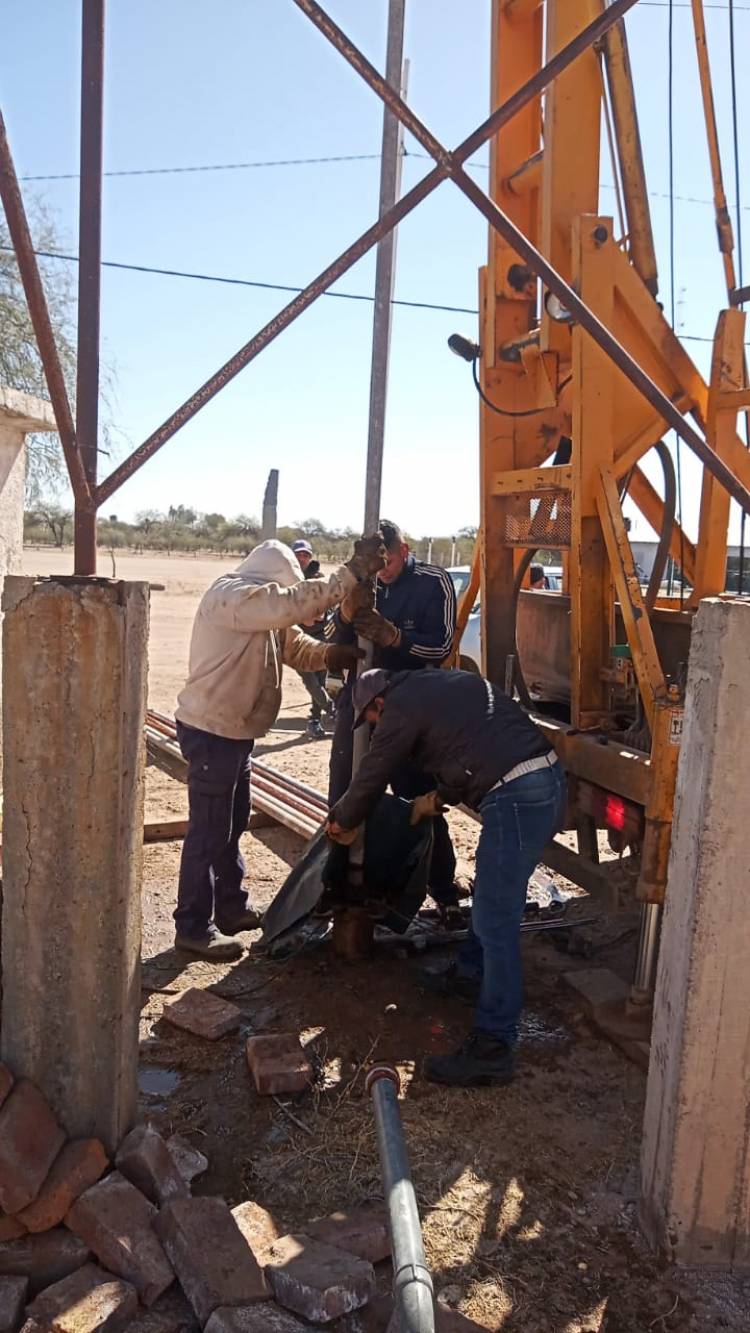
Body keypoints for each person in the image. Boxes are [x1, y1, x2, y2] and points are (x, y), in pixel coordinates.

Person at [326, 667, 567, 1087]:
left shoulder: (398, 707)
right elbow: (472, 743)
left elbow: (374, 769)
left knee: (496, 917)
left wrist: (343, 819)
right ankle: (471, 973)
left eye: (371, 720)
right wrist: (440, 797)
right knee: (494, 895)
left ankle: (494, 1045)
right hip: (536, 778)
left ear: (377, 704)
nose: (375, 727)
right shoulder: (431, 685)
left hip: (516, 793)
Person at [173, 534, 386, 960]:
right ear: (270, 578)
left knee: (232, 825)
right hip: (213, 731)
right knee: (208, 832)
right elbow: (289, 605)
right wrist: (349, 576)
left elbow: (294, 646)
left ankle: (230, 907)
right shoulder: (231, 596)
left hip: (235, 733)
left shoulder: (258, 612)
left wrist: (329, 655)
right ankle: (193, 927)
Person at [327, 519, 459, 909]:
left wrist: (394, 637)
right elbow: (335, 636)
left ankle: (443, 888)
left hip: (411, 711)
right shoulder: (361, 579)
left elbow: (442, 646)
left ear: (405, 550)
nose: (382, 570)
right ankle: (337, 882)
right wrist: (347, 616)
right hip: (361, 703)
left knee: (417, 798)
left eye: (389, 560)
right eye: (376, 563)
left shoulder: (433, 582)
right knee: (346, 792)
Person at [291, 540, 334, 739]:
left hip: (320, 636)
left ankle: (314, 720)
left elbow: (328, 607)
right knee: (309, 680)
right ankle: (332, 710)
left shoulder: (319, 579)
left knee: (320, 680)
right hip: (295, 638)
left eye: (306, 555)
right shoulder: (286, 578)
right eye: (299, 554)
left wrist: (319, 615)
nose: (302, 559)